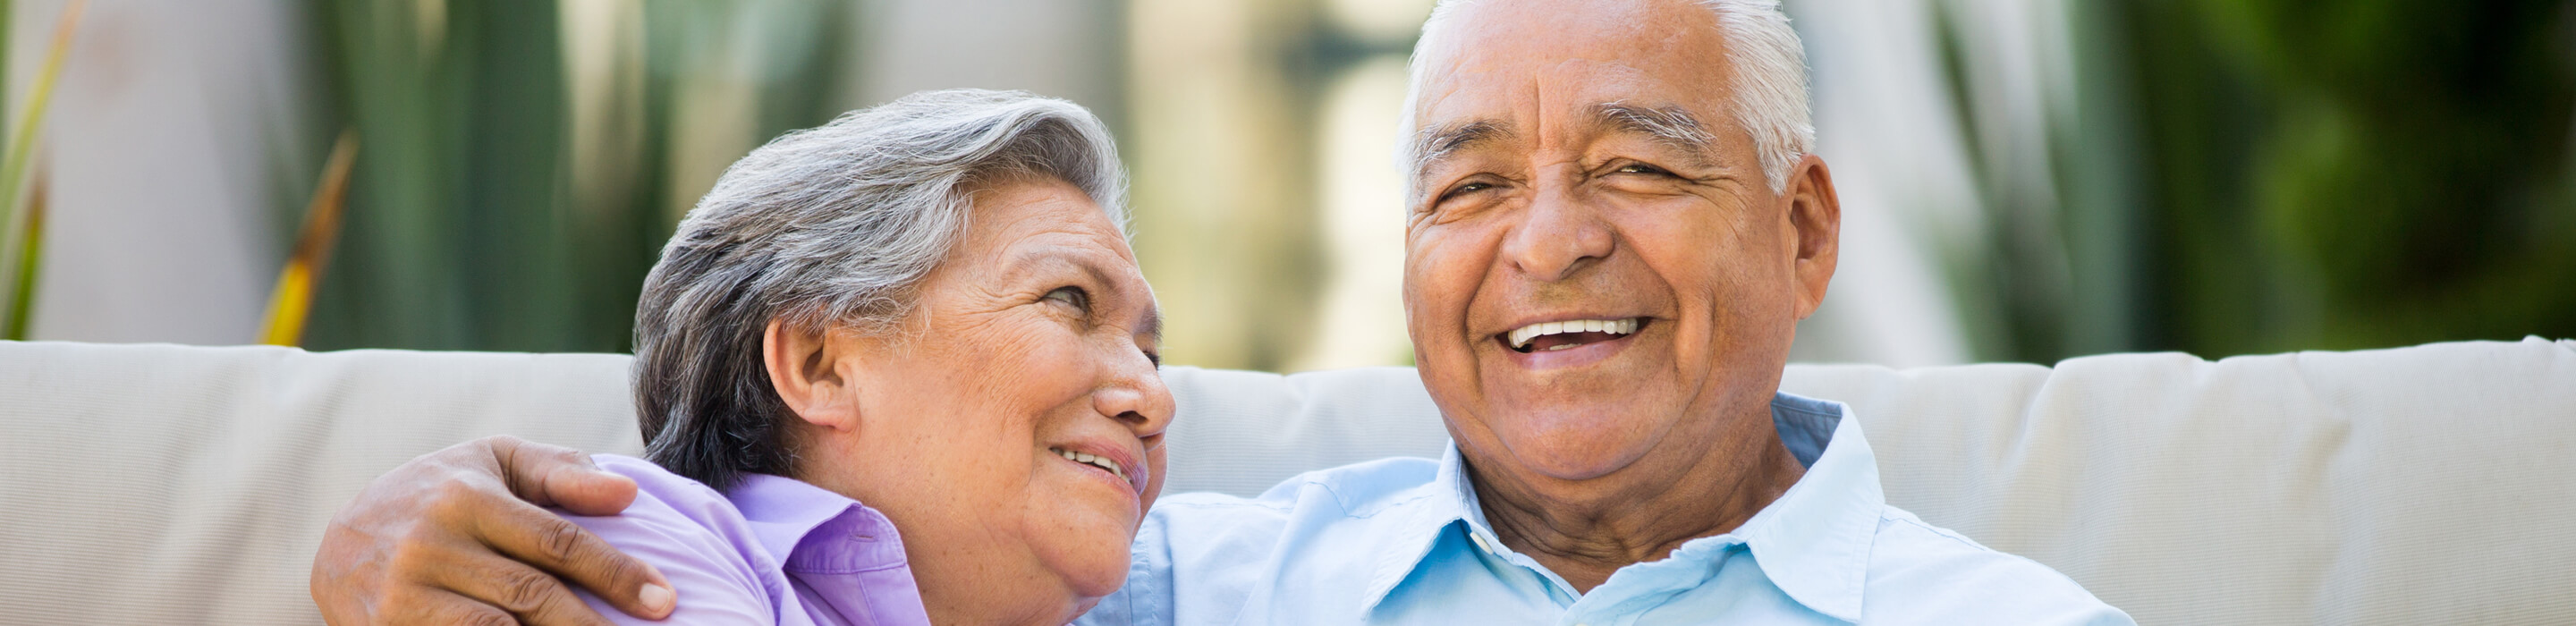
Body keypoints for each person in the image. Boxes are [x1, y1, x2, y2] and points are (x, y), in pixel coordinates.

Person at [313, 0, 2133, 623]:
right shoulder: (1183, 580)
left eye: (1643, 168)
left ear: (1804, 232)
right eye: (1470, 183)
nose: (1547, 243)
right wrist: (430, 532)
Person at [307, 89, 1176, 625]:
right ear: (819, 362)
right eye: (1068, 299)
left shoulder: (1188, 575)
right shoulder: (644, 543)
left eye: (1152, 352)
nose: (1153, 398)